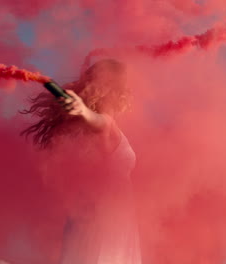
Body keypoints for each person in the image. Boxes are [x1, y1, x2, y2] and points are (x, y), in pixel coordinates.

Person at [21, 59, 142, 264]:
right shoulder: (105, 124)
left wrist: (83, 112)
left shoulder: (94, 129)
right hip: (104, 218)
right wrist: (84, 112)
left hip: (99, 213)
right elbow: (101, 123)